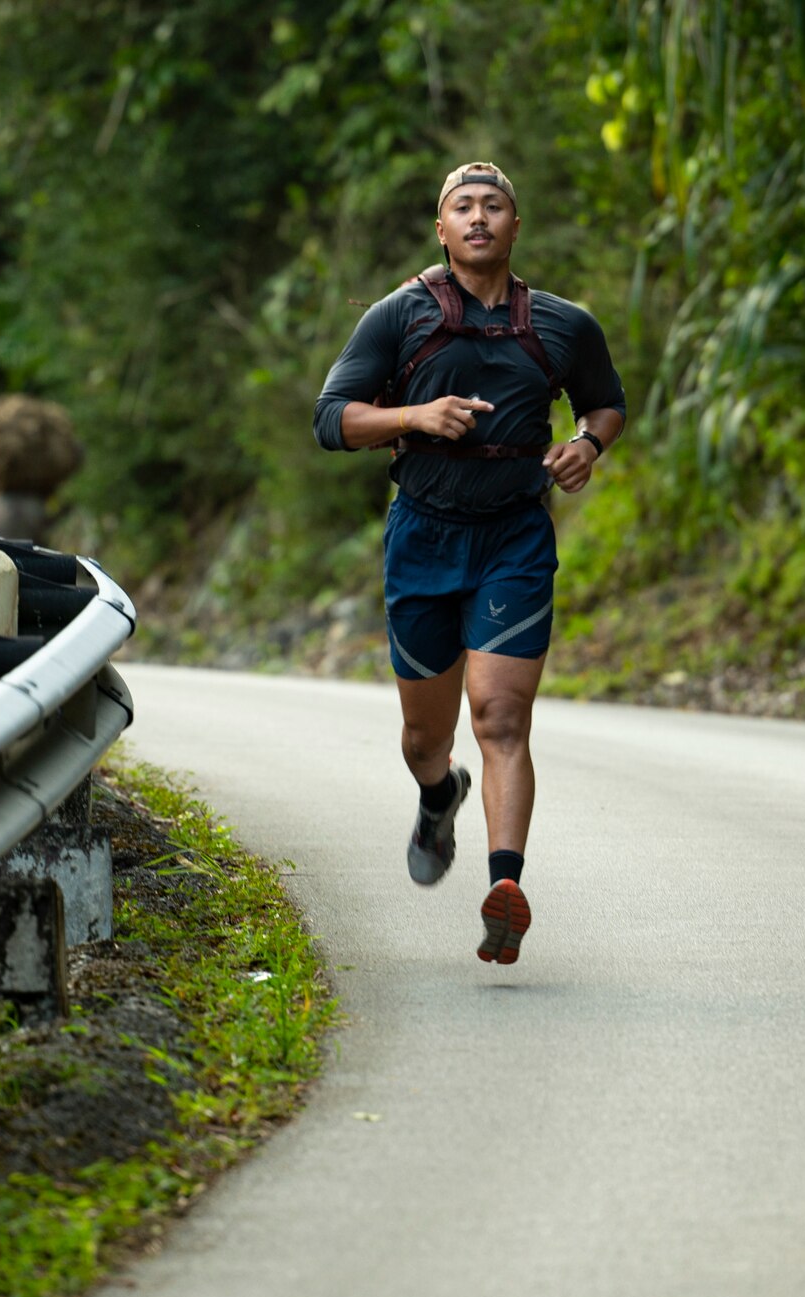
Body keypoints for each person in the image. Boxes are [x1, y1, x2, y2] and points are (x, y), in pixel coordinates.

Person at [312, 161, 626, 965]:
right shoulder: (399, 316)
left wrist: (586, 444)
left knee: (500, 717)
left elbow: (606, 402)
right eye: (463, 207)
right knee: (427, 737)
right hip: (422, 536)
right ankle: (436, 792)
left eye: (494, 206)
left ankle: (506, 887)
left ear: (516, 227)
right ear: (441, 229)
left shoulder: (561, 324)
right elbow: (330, 420)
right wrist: (415, 413)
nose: (479, 217)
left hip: (515, 538)